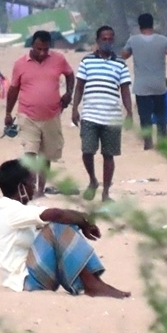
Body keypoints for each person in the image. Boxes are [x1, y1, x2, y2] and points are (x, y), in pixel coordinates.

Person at [0, 159, 130, 298]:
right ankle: (92, 284)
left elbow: (57, 219)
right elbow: (56, 214)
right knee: (56, 226)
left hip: (32, 275)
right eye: (32, 183)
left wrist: (80, 222)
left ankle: (93, 282)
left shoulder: (16, 210)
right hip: (24, 282)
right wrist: (83, 220)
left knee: (62, 223)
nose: (34, 187)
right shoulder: (10, 210)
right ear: (21, 187)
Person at [4, 30, 76, 197]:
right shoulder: (20, 64)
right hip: (27, 115)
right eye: (38, 49)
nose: (42, 52)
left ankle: (41, 190)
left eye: (45, 49)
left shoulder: (58, 59)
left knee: (46, 155)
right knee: (30, 153)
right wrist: (8, 112)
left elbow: (70, 75)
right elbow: (14, 90)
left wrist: (68, 93)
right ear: (32, 46)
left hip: (52, 115)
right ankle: (31, 186)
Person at [70, 25, 132, 202]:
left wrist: (129, 112)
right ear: (97, 41)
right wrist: (75, 109)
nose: (107, 41)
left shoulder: (120, 63)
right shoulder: (87, 61)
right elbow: (79, 86)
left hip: (112, 116)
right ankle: (92, 180)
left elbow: (125, 90)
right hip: (90, 114)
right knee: (87, 151)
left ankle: (105, 192)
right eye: (103, 38)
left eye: (110, 38)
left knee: (109, 155)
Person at [120, 13, 167, 151]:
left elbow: (124, 56)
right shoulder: (163, 40)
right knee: (160, 115)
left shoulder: (133, 40)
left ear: (139, 26)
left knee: (144, 116)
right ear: (152, 24)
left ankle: (148, 143)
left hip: (141, 86)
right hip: (159, 85)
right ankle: (163, 142)